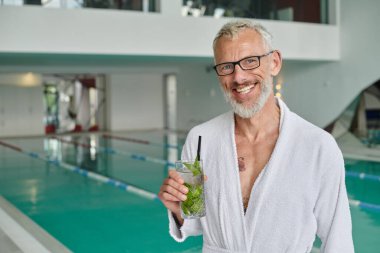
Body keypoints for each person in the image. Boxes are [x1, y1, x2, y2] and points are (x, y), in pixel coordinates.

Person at [158, 20, 354, 253]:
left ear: (274, 62)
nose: (238, 77)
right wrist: (178, 211)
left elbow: (337, 239)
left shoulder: (319, 146)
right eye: (226, 66)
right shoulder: (199, 139)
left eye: (250, 61)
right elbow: (193, 218)